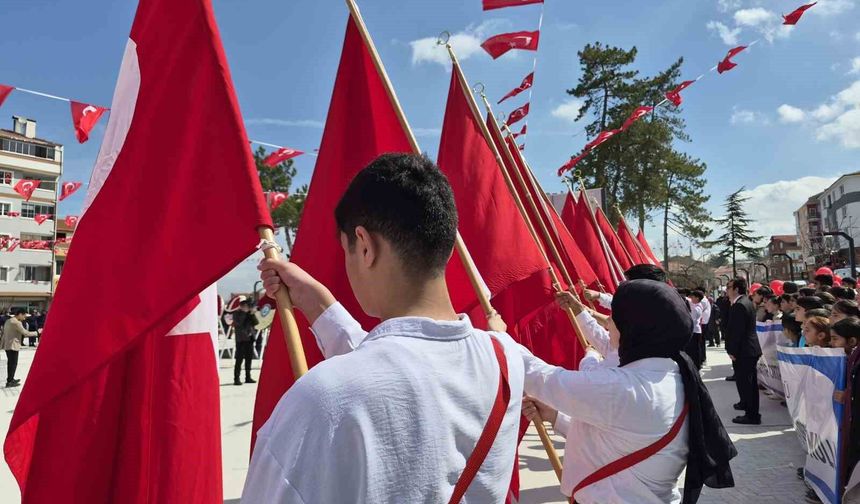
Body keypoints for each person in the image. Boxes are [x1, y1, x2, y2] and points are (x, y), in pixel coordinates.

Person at [243, 153, 526, 502]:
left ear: (364, 245)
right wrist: (318, 304)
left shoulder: (320, 400)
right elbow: (406, 372)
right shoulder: (505, 360)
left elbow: (386, 375)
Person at [522, 280, 737, 503]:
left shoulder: (625, 387)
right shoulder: (673, 375)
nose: (608, 322)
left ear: (634, 328)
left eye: (614, 317)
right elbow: (615, 437)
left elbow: (539, 377)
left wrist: (496, 335)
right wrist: (554, 416)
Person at [725, 277, 762, 424]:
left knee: (748, 384)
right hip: (747, 349)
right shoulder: (744, 302)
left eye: (729, 287)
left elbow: (737, 332)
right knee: (745, 382)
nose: (727, 290)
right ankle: (746, 405)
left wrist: (732, 350)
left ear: (736, 289)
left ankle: (752, 415)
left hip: (744, 350)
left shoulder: (740, 305)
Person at [1, 308, 39, 387]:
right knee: (13, 364)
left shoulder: (9, 320)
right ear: (20, 314)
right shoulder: (16, 322)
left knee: (11, 363)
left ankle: (11, 379)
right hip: (13, 345)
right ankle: (10, 381)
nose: (25, 317)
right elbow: (26, 333)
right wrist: (38, 332)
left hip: (7, 344)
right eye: (24, 315)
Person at [232, 299, 258, 386]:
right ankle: (236, 378)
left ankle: (248, 377)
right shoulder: (236, 314)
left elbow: (256, 322)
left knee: (248, 359)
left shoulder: (249, 314)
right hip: (241, 340)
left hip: (249, 339)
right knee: (239, 360)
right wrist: (244, 312)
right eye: (246, 306)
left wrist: (251, 313)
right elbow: (240, 323)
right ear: (242, 306)